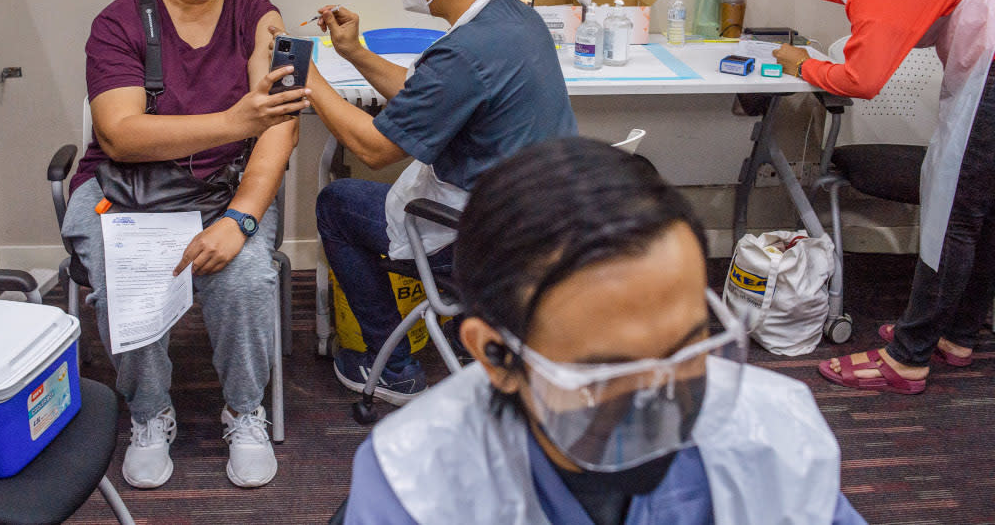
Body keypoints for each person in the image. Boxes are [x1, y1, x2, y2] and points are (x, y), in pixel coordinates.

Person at [342, 137, 865, 525]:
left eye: (689, 347)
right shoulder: (416, 483)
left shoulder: (773, 438)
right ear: (497, 356)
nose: (661, 400)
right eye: (609, 368)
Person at [62, 0, 310, 489]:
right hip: (127, 192)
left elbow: (276, 122)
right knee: (128, 271)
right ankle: (149, 412)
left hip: (223, 190)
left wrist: (242, 217)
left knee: (247, 274)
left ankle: (245, 411)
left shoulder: (259, 15)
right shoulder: (119, 23)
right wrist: (232, 120)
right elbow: (121, 133)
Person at [303, 0, 578, 403]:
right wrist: (355, 53)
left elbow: (374, 147)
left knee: (335, 206)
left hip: (485, 238)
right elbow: (427, 94)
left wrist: (308, 75)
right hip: (546, 221)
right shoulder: (517, 18)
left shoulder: (464, 52)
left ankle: (392, 367)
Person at [766, 0, 995, 394]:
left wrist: (801, 64)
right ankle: (956, 333)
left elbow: (862, 79)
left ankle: (908, 357)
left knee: (954, 213)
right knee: (985, 207)